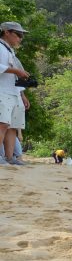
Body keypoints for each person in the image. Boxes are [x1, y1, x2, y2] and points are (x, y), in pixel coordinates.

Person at [0, 21, 31, 166]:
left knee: (13, 126)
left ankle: (9, 157)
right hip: (3, 91)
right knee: (2, 124)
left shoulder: (10, 51)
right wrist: (16, 71)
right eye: (18, 34)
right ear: (7, 32)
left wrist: (22, 94)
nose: (20, 38)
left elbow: (15, 75)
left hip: (13, 91)